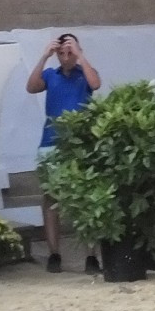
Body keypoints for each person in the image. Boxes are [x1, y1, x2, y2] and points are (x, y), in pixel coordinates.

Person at [26, 33, 102, 274]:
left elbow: (96, 84)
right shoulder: (50, 75)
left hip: (80, 143)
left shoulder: (85, 73)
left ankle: (91, 256)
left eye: (69, 50)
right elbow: (31, 87)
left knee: (88, 197)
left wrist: (79, 55)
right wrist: (44, 56)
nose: (65, 55)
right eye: (62, 51)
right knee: (51, 199)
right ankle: (54, 253)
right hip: (51, 142)